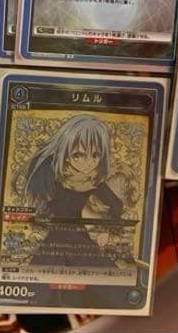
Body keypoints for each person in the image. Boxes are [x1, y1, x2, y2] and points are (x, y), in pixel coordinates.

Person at [14, 114, 130, 269]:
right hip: (55, 242)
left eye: (95, 155)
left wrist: (105, 231)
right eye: (78, 155)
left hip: (79, 241)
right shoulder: (53, 179)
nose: (88, 162)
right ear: (65, 155)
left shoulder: (94, 184)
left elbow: (115, 205)